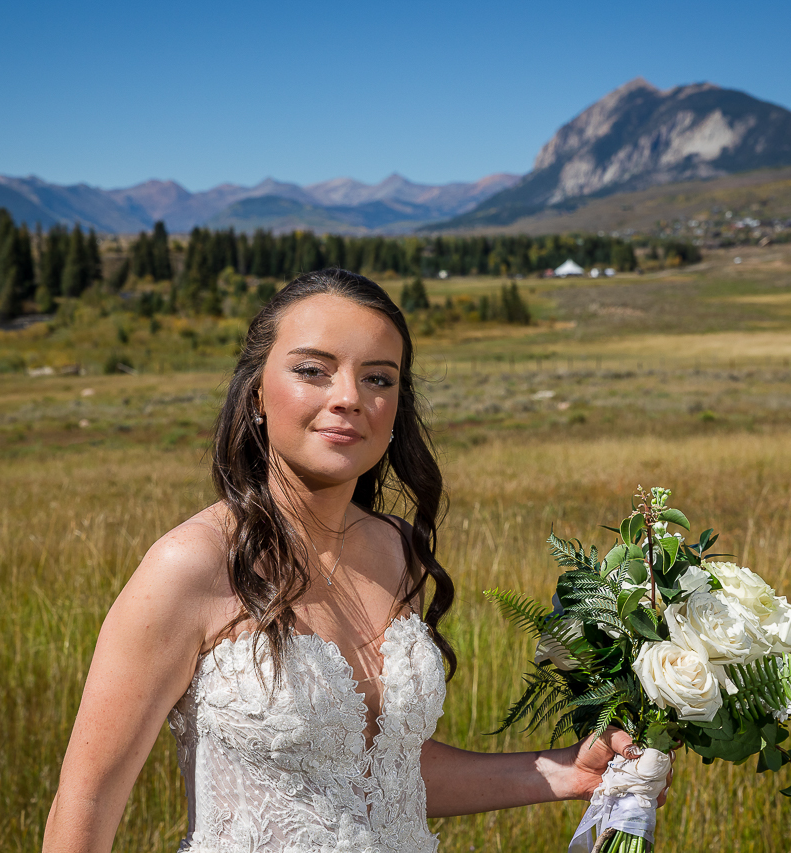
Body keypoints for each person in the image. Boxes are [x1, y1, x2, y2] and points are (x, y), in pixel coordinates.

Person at [42, 269, 668, 853]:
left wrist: (568, 773)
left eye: (378, 378)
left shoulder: (399, 552)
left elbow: (387, 770)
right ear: (257, 392)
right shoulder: (192, 565)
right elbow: (87, 803)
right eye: (313, 370)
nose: (349, 398)